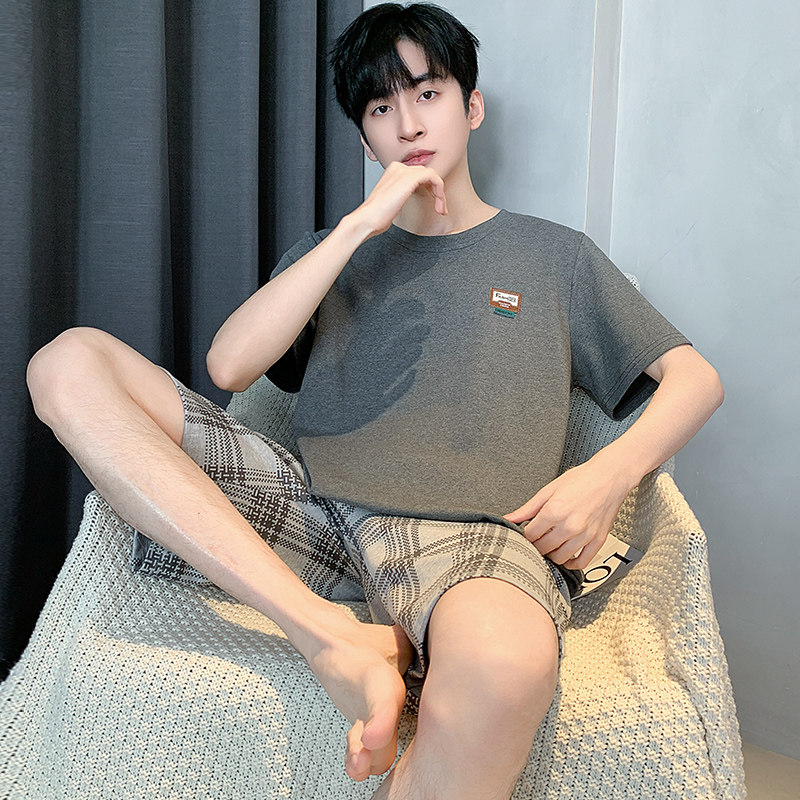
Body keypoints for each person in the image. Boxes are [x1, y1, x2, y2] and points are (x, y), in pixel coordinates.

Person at [26, 3, 724, 798]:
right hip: (311, 514)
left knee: (505, 667)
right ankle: (329, 635)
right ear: (365, 140)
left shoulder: (553, 255)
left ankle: (373, 643)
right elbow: (229, 365)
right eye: (381, 108)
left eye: (427, 93)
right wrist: (360, 226)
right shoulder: (329, 256)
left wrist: (605, 476)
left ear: (472, 106)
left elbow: (695, 379)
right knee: (68, 360)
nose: (408, 123)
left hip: (467, 539)